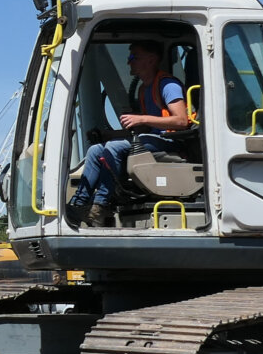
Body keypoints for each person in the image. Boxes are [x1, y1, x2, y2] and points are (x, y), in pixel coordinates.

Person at [67, 42, 190, 228]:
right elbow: (144, 129)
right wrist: (107, 134)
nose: (129, 62)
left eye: (134, 57)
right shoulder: (144, 89)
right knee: (95, 150)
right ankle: (80, 204)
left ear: (151, 60)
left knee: (114, 148)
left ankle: (101, 205)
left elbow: (181, 121)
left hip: (171, 142)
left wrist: (141, 119)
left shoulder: (167, 85)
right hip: (153, 140)